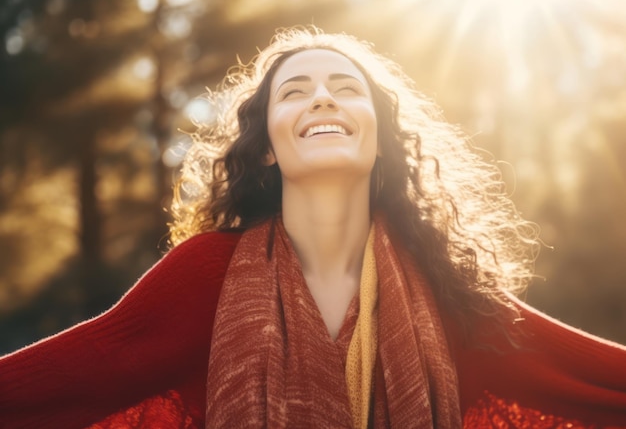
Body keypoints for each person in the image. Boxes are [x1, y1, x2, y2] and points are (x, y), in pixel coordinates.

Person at [1, 26, 625, 428]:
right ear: (267, 147)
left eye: (345, 89)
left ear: (380, 141)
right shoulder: (204, 279)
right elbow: (58, 385)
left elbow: (593, 382)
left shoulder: (450, 290)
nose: (323, 99)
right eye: (295, 92)